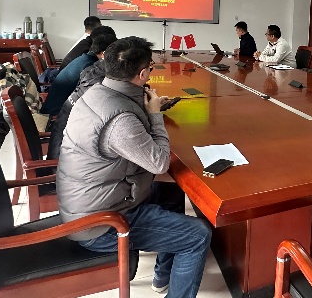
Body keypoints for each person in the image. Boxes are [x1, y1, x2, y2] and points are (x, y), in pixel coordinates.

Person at [56, 37, 211, 297]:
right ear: (142, 74)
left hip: (91, 199)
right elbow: (159, 162)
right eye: (150, 68)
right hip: (101, 224)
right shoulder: (121, 121)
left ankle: (162, 276)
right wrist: (155, 115)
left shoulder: (97, 92)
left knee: (172, 193)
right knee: (198, 235)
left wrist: (149, 106)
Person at [41, 33, 117, 116]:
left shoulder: (85, 58)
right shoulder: (90, 66)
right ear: (103, 53)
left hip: (54, 107)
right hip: (57, 113)